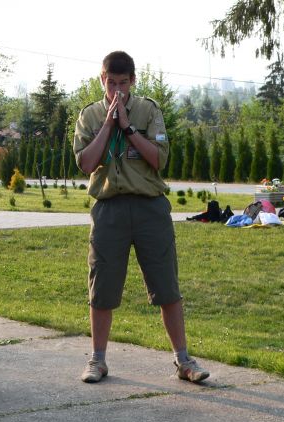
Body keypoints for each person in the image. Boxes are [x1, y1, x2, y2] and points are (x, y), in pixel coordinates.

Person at [73, 51, 209, 384]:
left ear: (132, 80)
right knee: (102, 286)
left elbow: (159, 159)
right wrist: (108, 123)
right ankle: (98, 360)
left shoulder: (148, 110)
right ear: (102, 79)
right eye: (110, 82)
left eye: (122, 83)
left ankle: (183, 360)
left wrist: (128, 127)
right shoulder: (89, 116)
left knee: (166, 286)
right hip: (109, 208)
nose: (116, 90)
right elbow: (86, 163)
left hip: (149, 207)